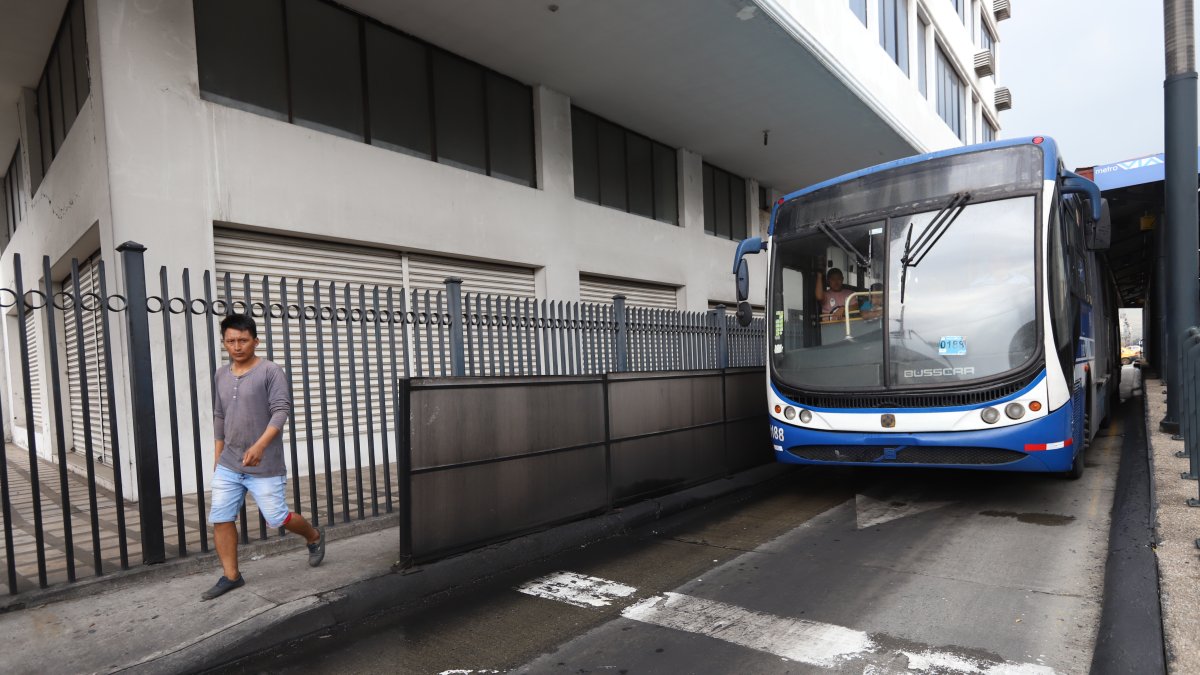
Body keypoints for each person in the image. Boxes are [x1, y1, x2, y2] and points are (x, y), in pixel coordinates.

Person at [202, 314, 325, 601]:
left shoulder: (271, 371)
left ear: (255, 341)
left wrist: (259, 446)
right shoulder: (220, 374)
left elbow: (281, 411)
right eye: (231, 341)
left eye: (243, 340)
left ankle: (314, 536)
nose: (237, 346)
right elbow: (219, 416)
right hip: (229, 463)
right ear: (224, 343)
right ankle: (231, 576)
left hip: (265, 464)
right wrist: (218, 457)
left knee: (277, 517)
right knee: (221, 517)